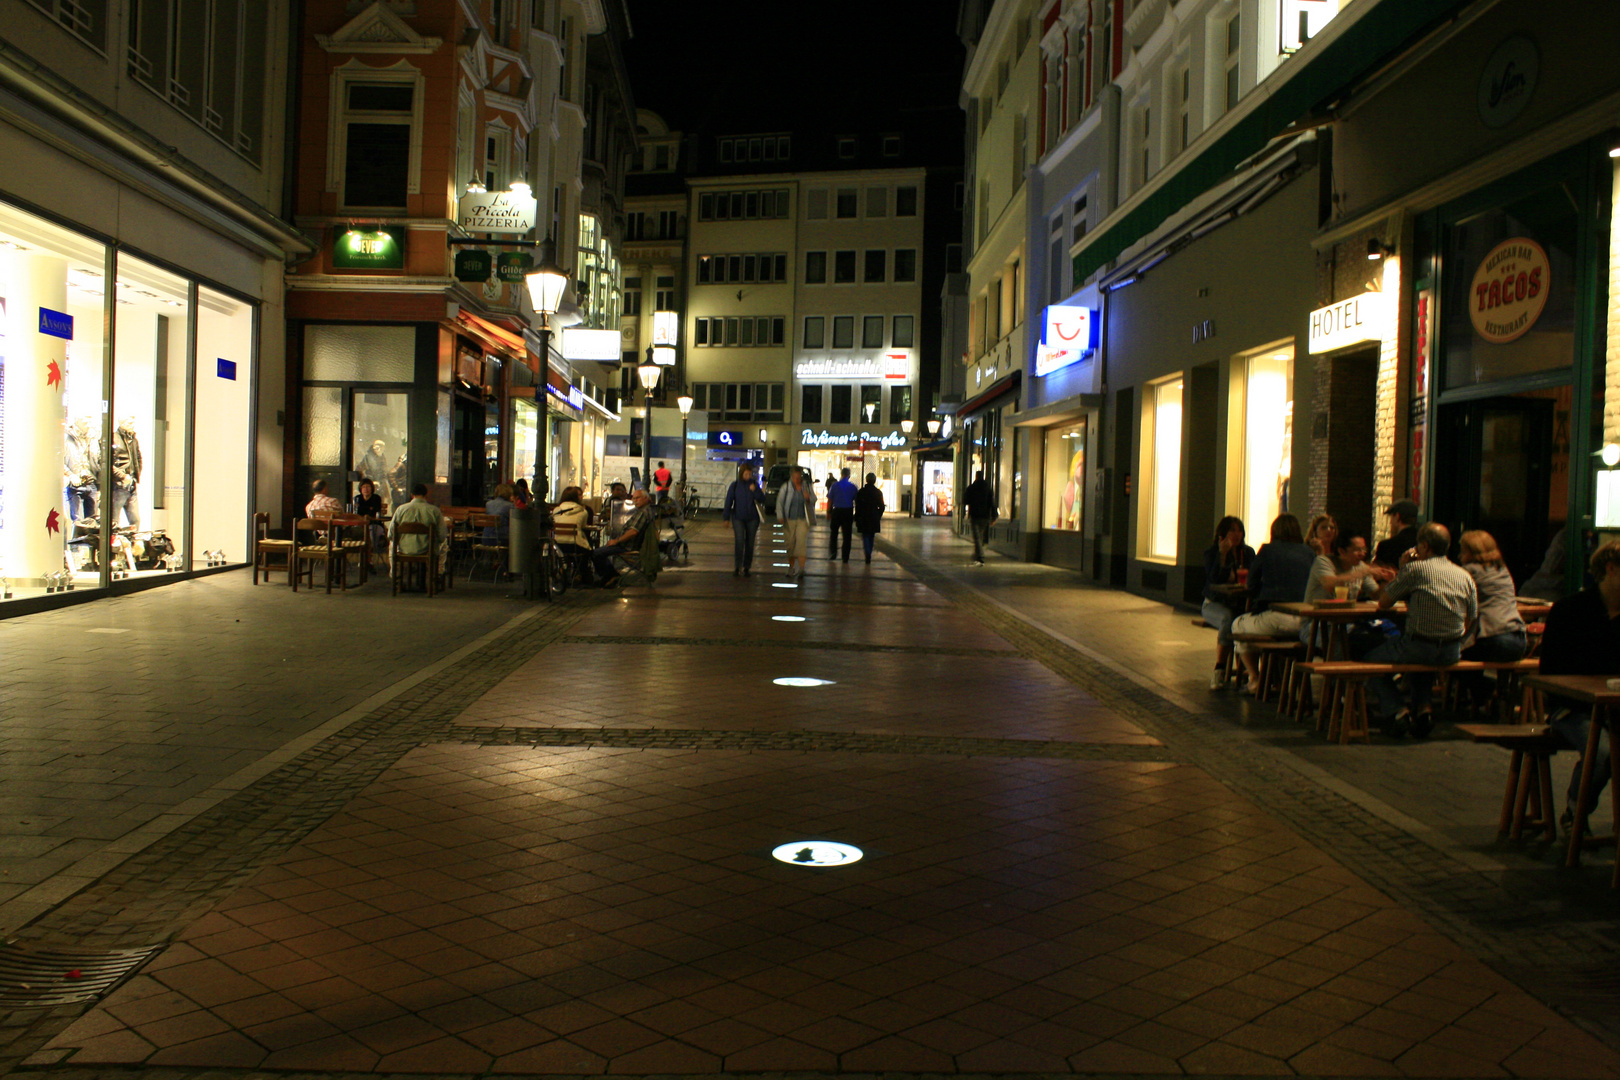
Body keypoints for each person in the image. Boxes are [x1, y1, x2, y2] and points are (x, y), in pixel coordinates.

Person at [1364, 523, 1478, 738]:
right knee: (1423, 662)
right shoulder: (1464, 575)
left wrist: (1403, 566)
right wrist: (1459, 640)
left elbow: (1385, 602)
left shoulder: (1416, 570)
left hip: (1418, 645)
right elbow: (1472, 616)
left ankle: (1397, 711)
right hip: (1451, 651)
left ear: (1424, 547)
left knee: (1370, 661)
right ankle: (1423, 709)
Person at [1537, 540, 1620, 833]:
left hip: (1615, 707)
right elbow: (1550, 673)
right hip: (1572, 706)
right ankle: (1576, 810)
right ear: (1611, 569)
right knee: (1602, 752)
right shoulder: (1571, 611)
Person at [1229, 514, 1315, 695]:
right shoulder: (1309, 552)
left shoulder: (1267, 550)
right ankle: (1275, 680)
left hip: (1276, 618)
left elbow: (1251, 585)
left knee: (1238, 624)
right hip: (1305, 622)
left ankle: (1255, 678)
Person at [1455, 530, 1528, 709]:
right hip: (1518, 638)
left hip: (1495, 637)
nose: (1459, 555)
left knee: (1455, 655)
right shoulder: (1501, 569)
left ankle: (1484, 695)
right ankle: (1496, 694)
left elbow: (1460, 605)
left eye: (1462, 550)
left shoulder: (1469, 572)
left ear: (1471, 553)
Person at [1302, 528, 1388, 657]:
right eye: (1357, 550)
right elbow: (1329, 584)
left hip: (1346, 625)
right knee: (1340, 646)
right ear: (1342, 551)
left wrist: (1389, 582)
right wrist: (1362, 573)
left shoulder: (1360, 567)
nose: (1362, 554)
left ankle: (1366, 676)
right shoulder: (1324, 562)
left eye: (1364, 549)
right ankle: (1337, 677)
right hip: (1315, 626)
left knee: (1379, 641)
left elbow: (1376, 595)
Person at [1201, 517, 1255, 689]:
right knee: (1228, 618)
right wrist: (1222, 555)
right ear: (1223, 533)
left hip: (1240, 603)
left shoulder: (1247, 553)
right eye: (1232, 530)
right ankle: (1220, 669)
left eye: (1239, 530)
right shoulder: (1212, 553)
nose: (1236, 534)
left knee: (1245, 621)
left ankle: (1246, 671)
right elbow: (1214, 581)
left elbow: (1253, 578)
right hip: (1214, 603)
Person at [593, 489, 654, 588]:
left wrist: (617, 541)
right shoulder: (646, 510)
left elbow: (633, 531)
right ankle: (610, 575)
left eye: (637, 498)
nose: (635, 501)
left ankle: (610, 576)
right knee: (601, 551)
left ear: (646, 498)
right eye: (633, 498)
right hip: (629, 544)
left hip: (629, 545)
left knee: (596, 553)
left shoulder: (643, 512)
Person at [390, 483, 446, 583]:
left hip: (404, 550)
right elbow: (442, 535)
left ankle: (395, 576)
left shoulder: (400, 509)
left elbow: (391, 534)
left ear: (412, 495)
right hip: (427, 550)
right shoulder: (434, 511)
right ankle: (436, 574)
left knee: (391, 545)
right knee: (444, 545)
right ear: (426, 495)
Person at [722, 464, 767, 576]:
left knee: (750, 543)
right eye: (746, 474)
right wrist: (726, 517)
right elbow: (729, 501)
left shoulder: (754, 484)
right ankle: (737, 566)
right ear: (741, 474)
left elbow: (762, 499)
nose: (748, 476)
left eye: (749, 474)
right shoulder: (735, 485)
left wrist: (755, 490)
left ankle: (747, 567)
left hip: (752, 518)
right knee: (739, 541)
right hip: (738, 517)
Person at [776, 466, 816, 580]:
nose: (797, 480)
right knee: (790, 544)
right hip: (789, 519)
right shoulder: (786, 487)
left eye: (799, 477)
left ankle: (802, 569)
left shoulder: (807, 486)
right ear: (792, 477)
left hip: (803, 519)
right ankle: (791, 567)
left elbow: (814, 499)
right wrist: (780, 515)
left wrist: (808, 498)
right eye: (795, 477)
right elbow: (780, 502)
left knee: (801, 543)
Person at [1373, 499, 1419, 568]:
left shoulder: (1387, 546)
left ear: (1397, 517)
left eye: (1391, 517)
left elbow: (1378, 573)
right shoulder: (1423, 543)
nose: (1390, 522)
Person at [962, 470, 995, 565]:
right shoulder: (988, 489)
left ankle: (980, 556)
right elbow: (992, 503)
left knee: (976, 537)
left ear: (976, 477)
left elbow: (965, 500)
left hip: (975, 515)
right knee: (979, 536)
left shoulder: (971, 488)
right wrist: (994, 516)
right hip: (985, 516)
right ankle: (978, 554)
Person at [353, 480, 386, 571]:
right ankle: (365, 558)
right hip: (360, 524)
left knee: (371, 532)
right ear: (360, 489)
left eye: (368, 487)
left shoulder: (376, 498)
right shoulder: (357, 498)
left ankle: (368, 558)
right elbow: (355, 513)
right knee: (355, 532)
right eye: (363, 487)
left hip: (374, 524)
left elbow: (375, 512)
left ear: (372, 488)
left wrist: (368, 516)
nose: (366, 489)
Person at [827, 467, 859, 563]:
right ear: (849, 475)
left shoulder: (834, 485)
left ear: (841, 474)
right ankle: (845, 556)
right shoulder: (853, 487)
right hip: (848, 512)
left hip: (836, 511)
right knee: (847, 535)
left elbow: (830, 500)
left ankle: (833, 553)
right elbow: (856, 501)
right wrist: (856, 514)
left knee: (834, 533)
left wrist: (828, 512)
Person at [854, 472, 886, 564]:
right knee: (871, 536)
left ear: (866, 480)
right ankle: (869, 552)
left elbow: (858, 506)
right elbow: (882, 506)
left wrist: (857, 517)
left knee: (865, 536)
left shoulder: (861, 492)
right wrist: (878, 515)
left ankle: (867, 552)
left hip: (863, 517)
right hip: (873, 517)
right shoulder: (878, 492)